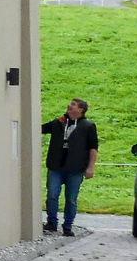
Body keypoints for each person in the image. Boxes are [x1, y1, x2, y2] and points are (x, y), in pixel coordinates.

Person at [39, 98, 99, 236]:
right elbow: (40, 129)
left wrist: (91, 167)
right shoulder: (59, 122)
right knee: (52, 195)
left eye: (73, 105)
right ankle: (52, 223)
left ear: (81, 110)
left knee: (71, 198)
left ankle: (67, 226)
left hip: (76, 168)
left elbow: (93, 148)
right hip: (56, 166)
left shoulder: (88, 126)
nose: (69, 107)